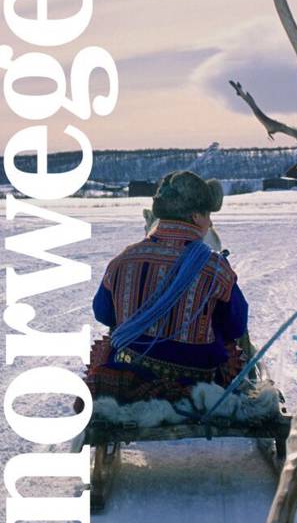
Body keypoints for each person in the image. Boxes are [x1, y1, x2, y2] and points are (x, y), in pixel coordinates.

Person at [84, 170, 248, 405]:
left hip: (129, 369)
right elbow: (236, 326)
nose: (211, 222)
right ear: (195, 216)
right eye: (208, 215)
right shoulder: (216, 268)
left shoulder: (123, 260)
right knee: (231, 351)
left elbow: (103, 313)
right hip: (197, 379)